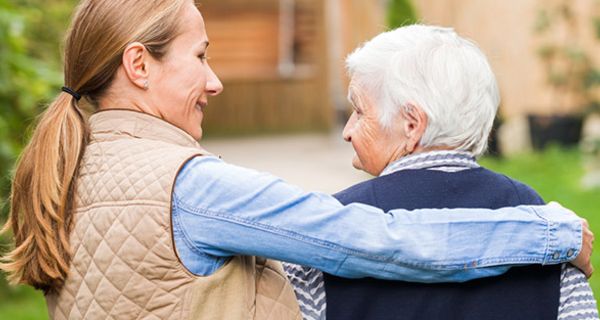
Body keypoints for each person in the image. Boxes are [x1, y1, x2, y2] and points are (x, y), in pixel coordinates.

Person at [0, 1, 592, 319]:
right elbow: (377, 241)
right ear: (139, 65)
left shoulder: (73, 172)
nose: (214, 82)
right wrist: (553, 233)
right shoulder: (190, 187)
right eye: (201, 56)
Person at [284, 25, 599, 320]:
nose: (347, 131)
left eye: (359, 111)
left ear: (411, 124)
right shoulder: (546, 225)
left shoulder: (328, 229)